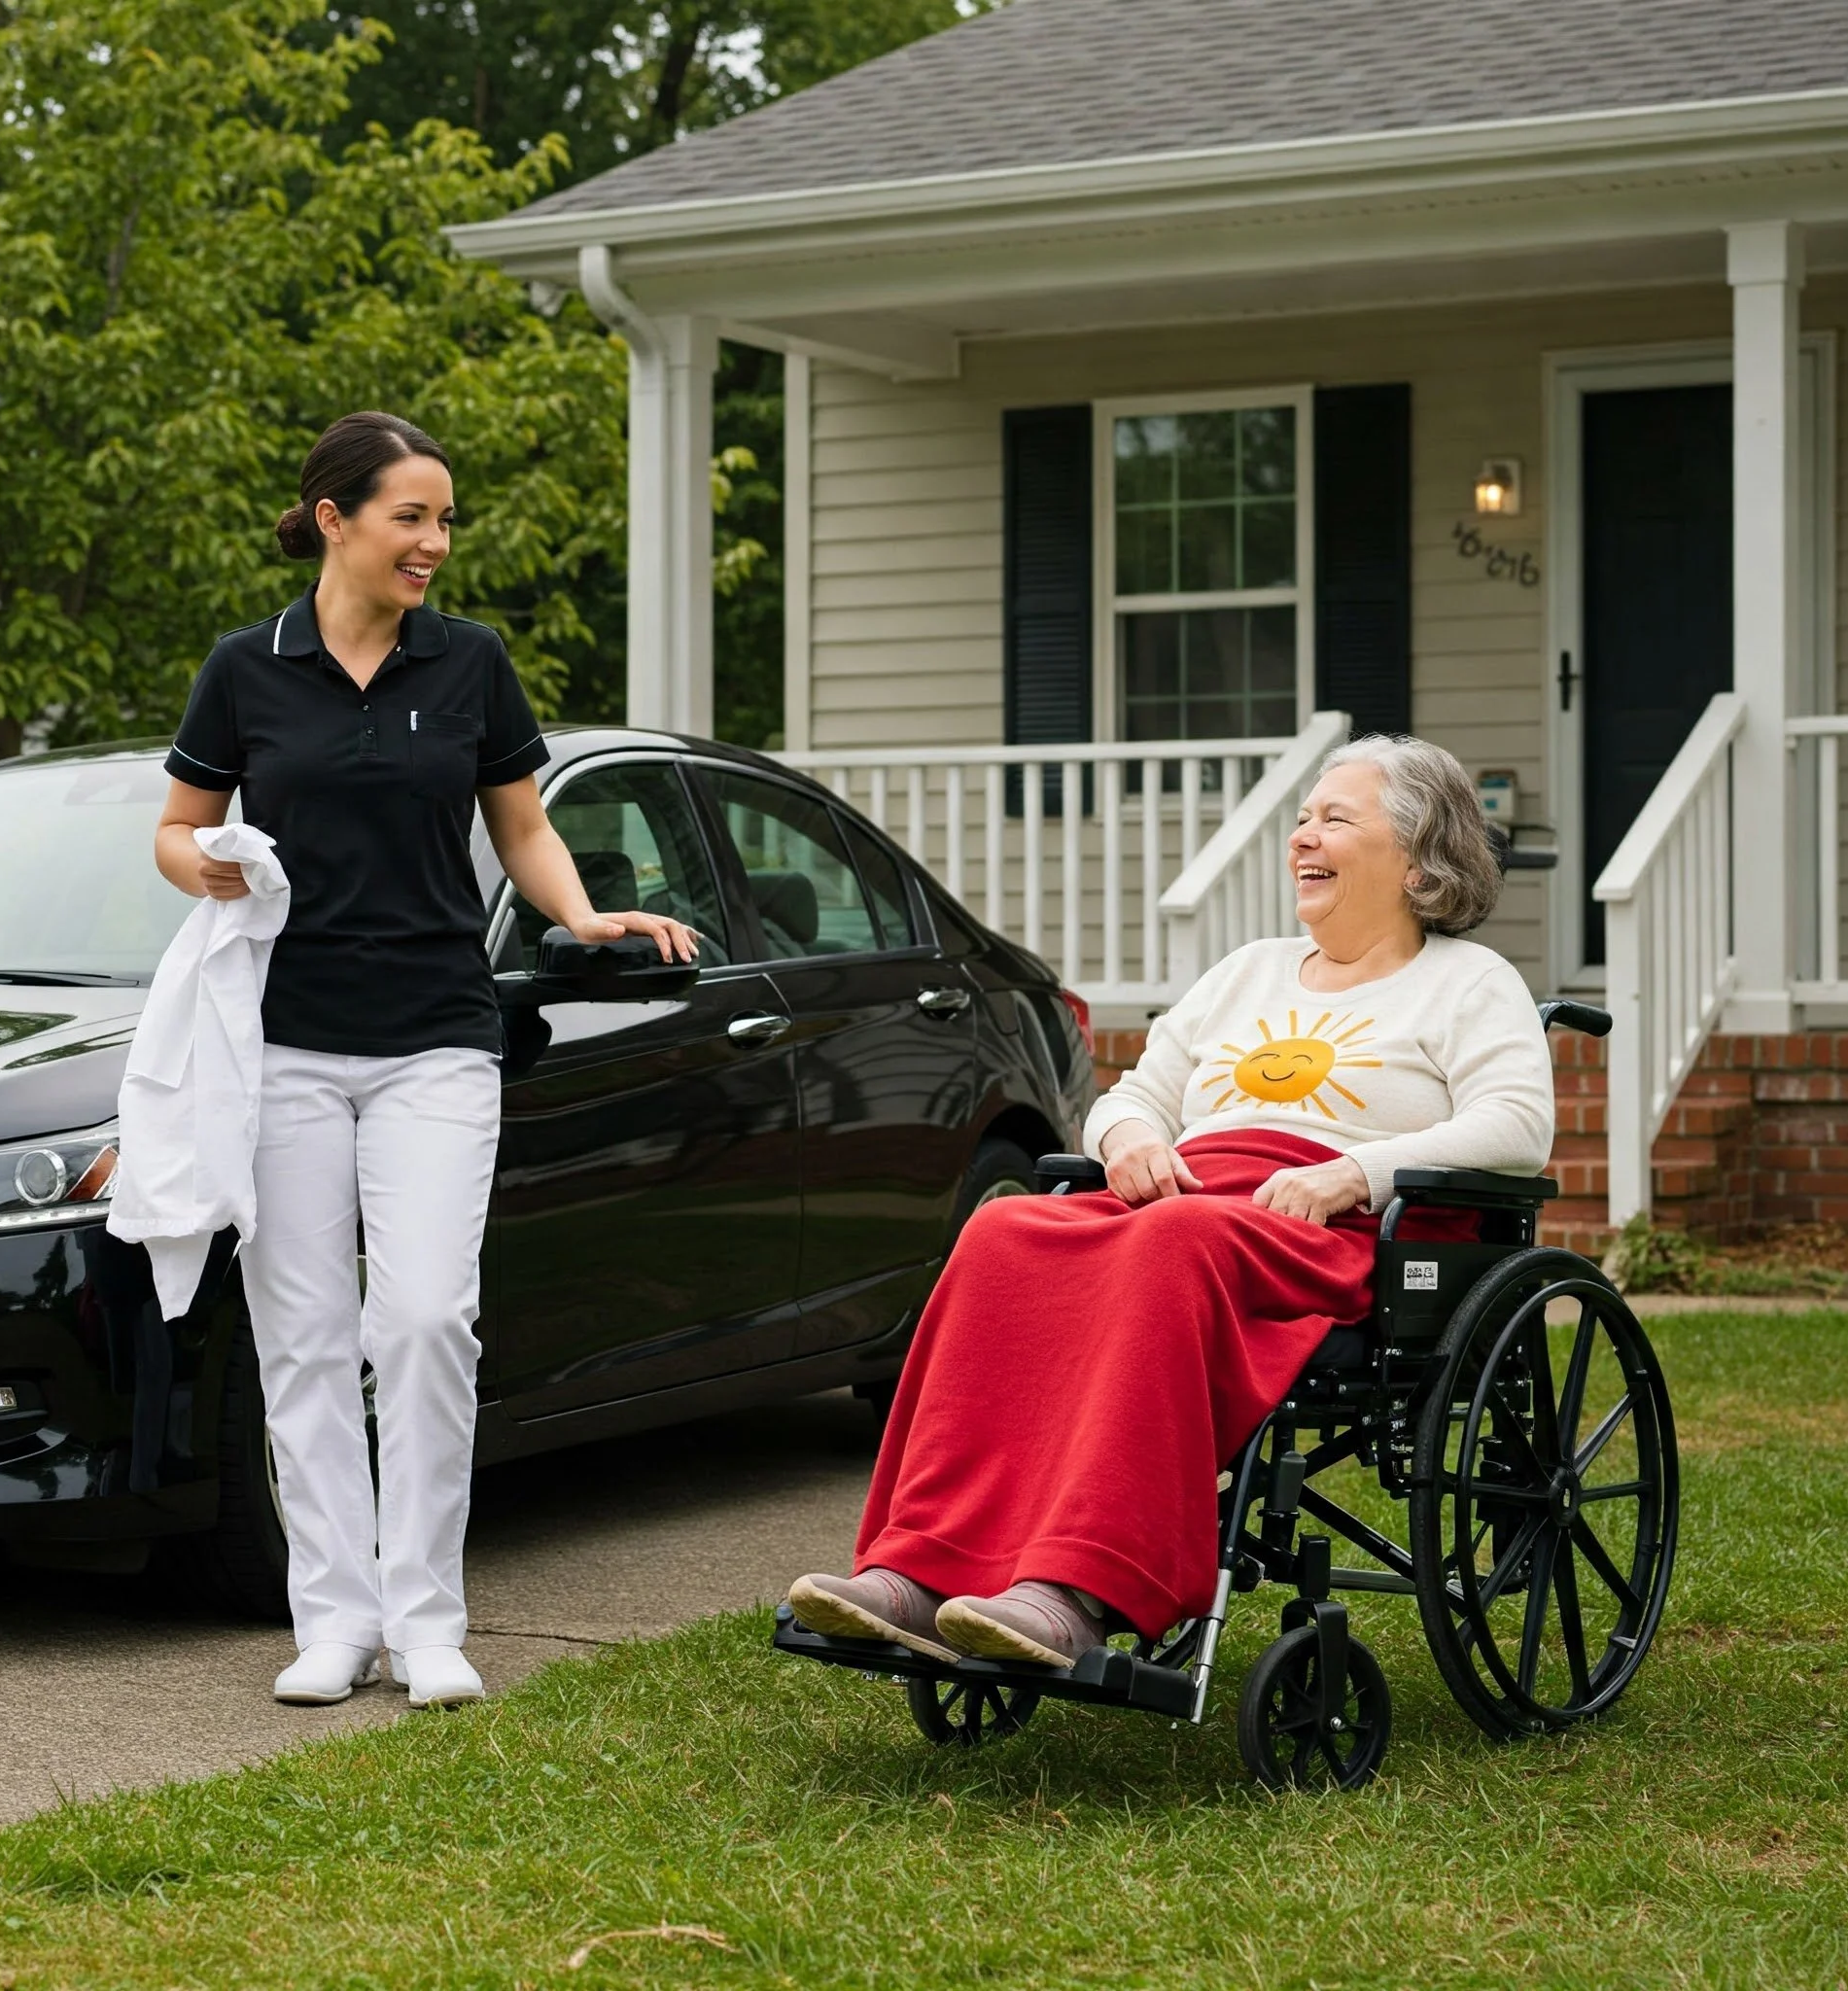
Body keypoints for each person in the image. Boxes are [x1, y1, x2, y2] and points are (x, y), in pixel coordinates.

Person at [789, 736, 1553, 1669]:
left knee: (1171, 1242)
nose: (1304, 836)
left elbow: (1515, 1126)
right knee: (1002, 1231)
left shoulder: (1469, 982)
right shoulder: (1248, 971)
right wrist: (1130, 1142)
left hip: (1335, 1227)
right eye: (1302, 818)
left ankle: (1080, 1587)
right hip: (1190, 1200)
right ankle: (919, 1566)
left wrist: (1356, 1172)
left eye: (1336, 819)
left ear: (1416, 856)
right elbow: (1134, 1094)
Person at [157, 410, 695, 1709]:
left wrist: (580, 916)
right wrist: (214, 867)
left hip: (437, 1043)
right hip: (284, 1046)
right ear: (335, 518)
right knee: (304, 1336)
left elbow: (522, 828)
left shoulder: (470, 663)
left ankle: (429, 1618)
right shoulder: (247, 667)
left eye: (445, 519)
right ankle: (333, 1623)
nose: (436, 542)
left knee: (424, 1320)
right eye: (412, 515)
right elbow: (179, 829)